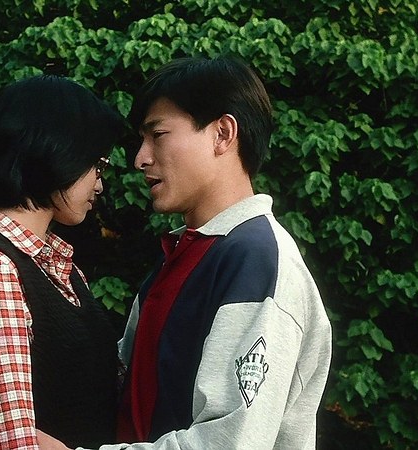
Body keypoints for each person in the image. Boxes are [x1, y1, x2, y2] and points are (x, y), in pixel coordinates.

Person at [40, 57, 332, 450]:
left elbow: (229, 443)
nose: (140, 158)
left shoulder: (257, 261)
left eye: (157, 135)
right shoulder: (179, 259)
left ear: (222, 134)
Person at [0, 75, 124, 449]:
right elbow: (7, 442)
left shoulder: (60, 267)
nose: (99, 184)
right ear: (57, 151)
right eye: (97, 164)